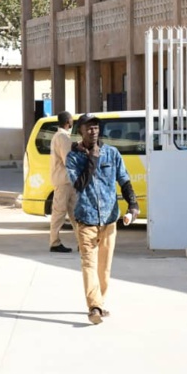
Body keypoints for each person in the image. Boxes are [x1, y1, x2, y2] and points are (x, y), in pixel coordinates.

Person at [65, 113, 139, 325]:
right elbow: (79, 184)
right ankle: (94, 306)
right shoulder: (73, 158)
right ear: (80, 131)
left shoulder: (112, 153)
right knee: (89, 264)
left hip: (109, 220)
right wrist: (93, 159)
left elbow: (124, 180)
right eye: (89, 127)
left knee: (104, 269)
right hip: (85, 219)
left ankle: (100, 302)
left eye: (96, 127)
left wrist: (132, 204)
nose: (94, 131)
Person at [48, 111, 75, 253]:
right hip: (64, 180)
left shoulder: (61, 136)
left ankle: (83, 241)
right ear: (67, 122)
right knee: (59, 212)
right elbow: (68, 160)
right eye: (71, 120)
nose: (72, 122)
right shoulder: (62, 137)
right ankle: (54, 242)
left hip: (67, 181)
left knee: (75, 213)